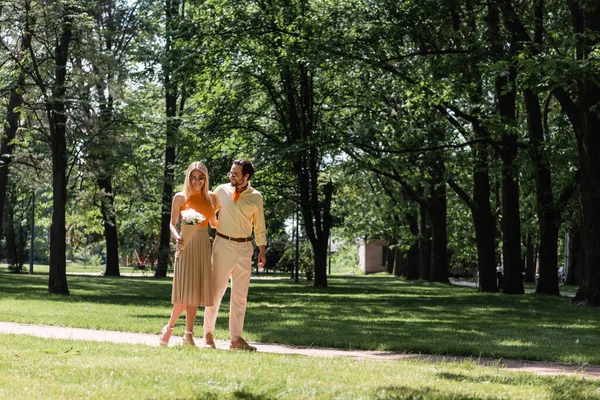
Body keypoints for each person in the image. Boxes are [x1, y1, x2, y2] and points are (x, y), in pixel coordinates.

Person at [203, 159, 266, 351]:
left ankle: (236, 339)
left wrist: (262, 248)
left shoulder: (256, 197)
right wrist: (211, 224)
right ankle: (208, 334)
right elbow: (206, 211)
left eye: (235, 174)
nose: (231, 176)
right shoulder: (221, 191)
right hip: (223, 244)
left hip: (245, 247)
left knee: (240, 296)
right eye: (230, 173)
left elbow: (260, 224)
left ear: (246, 176)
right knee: (215, 291)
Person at [159, 161, 215, 347]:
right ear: (188, 178)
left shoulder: (211, 198)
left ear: (205, 179)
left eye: (200, 178)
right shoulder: (180, 197)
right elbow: (171, 223)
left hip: (203, 244)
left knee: (196, 292)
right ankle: (169, 327)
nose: (197, 181)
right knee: (185, 292)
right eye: (193, 178)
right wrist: (177, 237)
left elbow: (214, 223)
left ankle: (188, 335)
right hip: (185, 244)